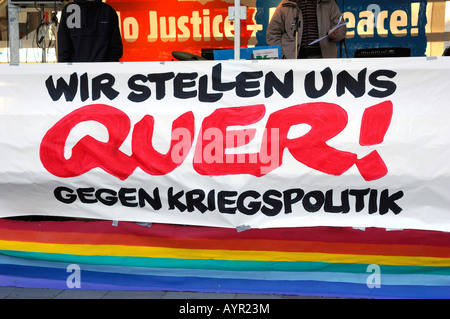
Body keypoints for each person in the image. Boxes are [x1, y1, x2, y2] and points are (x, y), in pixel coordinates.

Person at [266, 0, 346, 59]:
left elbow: (342, 28)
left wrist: (335, 34)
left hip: (322, 58)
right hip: (294, 59)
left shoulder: (328, 3)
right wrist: (282, 56)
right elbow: (272, 33)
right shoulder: (285, 5)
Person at [57, 0, 123, 62]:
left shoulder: (108, 12)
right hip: (80, 71)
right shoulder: (69, 11)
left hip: (98, 71)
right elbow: (63, 49)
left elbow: (116, 49)